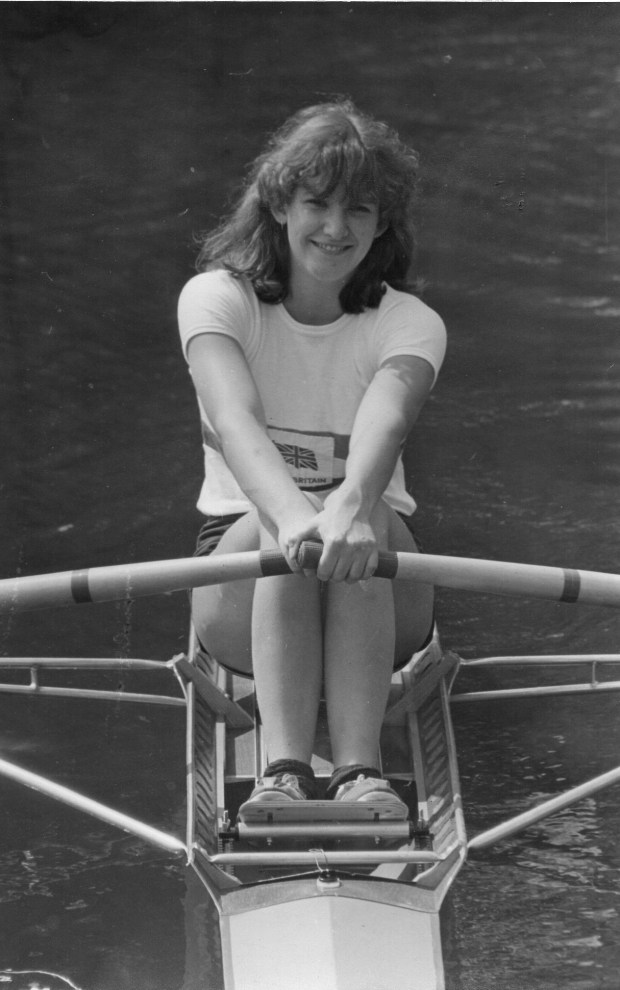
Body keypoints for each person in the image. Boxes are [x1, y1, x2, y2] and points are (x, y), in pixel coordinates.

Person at [177, 100, 446, 815]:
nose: (336, 228)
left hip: (377, 557)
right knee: (286, 520)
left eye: (360, 210)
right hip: (244, 572)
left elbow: (384, 430)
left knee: (353, 514)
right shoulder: (215, 300)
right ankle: (284, 771)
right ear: (278, 203)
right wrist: (296, 517)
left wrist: (347, 511)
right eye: (317, 203)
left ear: (383, 223)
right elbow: (235, 423)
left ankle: (361, 772)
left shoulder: (409, 324)